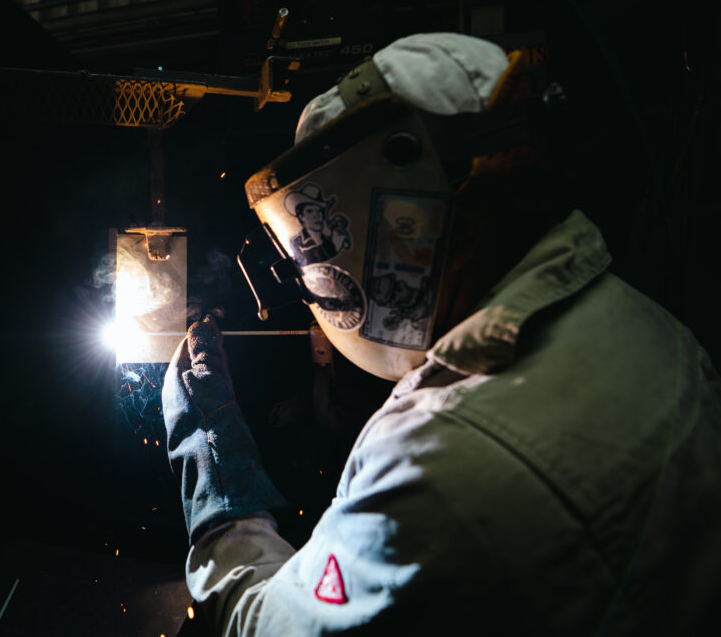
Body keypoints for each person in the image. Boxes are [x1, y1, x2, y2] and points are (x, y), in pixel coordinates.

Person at [162, 33, 721, 636]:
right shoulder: (644, 323)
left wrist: (215, 473)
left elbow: (269, 628)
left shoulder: (447, 456)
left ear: (445, 215)